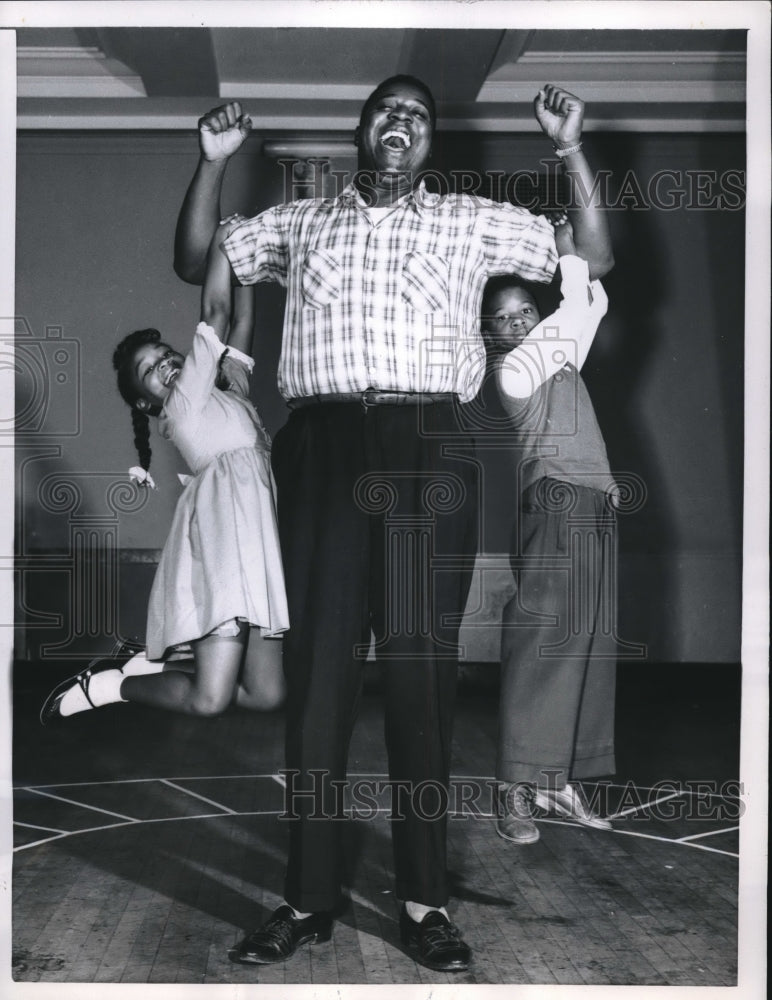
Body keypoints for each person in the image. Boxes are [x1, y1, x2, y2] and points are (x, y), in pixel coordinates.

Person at [173, 77, 613, 972]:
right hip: (325, 447)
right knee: (319, 681)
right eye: (386, 110)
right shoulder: (301, 220)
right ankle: (305, 898)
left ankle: (424, 902)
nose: (401, 121)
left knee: (422, 681)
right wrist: (211, 166)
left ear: (431, 141)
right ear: (362, 128)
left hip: (427, 449)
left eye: (419, 113)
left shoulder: (470, 220)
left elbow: (594, 253)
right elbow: (196, 264)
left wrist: (570, 150)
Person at [41, 218, 288, 723]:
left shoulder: (225, 391)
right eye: (151, 370)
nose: (167, 364)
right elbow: (217, 311)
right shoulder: (182, 406)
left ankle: (148, 666)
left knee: (267, 695)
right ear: (148, 403)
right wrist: (222, 241)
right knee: (209, 700)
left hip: (256, 547)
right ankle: (109, 686)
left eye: (167, 354)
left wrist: (241, 259)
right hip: (224, 549)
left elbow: (240, 325)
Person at [479, 215, 617, 845]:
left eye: (521, 313)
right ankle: (513, 785)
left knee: (587, 646)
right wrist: (568, 254)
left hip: (594, 504)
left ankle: (554, 778)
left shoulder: (559, 357)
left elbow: (587, 300)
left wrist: (574, 263)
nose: (512, 326)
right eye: (500, 320)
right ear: (488, 335)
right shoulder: (515, 372)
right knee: (542, 650)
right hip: (557, 503)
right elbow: (575, 299)